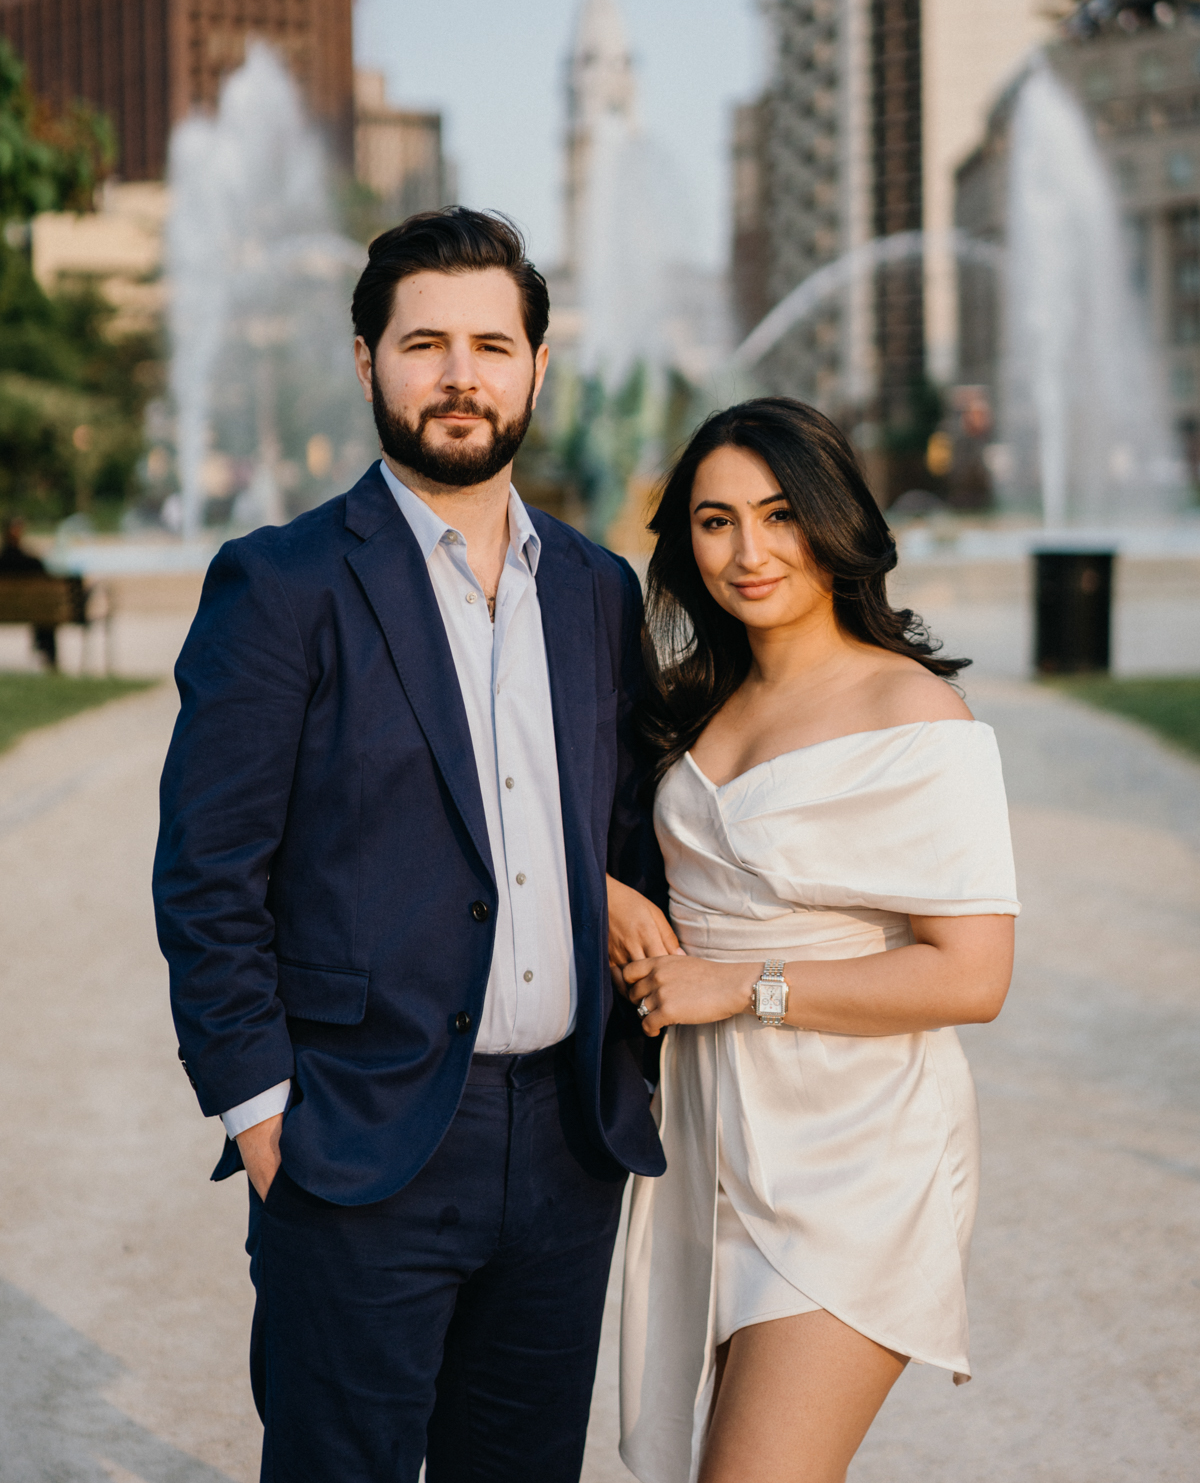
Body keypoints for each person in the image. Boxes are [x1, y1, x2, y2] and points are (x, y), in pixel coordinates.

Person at [153, 208, 677, 1483]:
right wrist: (262, 1110)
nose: (460, 376)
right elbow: (207, 874)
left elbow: (619, 829)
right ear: (366, 362)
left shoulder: (599, 589)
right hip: (356, 1139)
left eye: (492, 345)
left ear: (538, 370)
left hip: (564, 1144)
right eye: (424, 342)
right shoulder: (280, 585)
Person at [617, 399, 1019, 1483]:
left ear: (833, 521)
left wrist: (739, 986)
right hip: (710, 1144)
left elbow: (974, 976)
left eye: (781, 514)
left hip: (858, 1151)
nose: (749, 552)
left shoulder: (917, 713)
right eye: (715, 521)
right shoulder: (696, 704)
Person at [0, 515, 59, 667]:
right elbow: (48, 586)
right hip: (33, 612)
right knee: (45, 609)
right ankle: (48, 657)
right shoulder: (32, 563)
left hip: (4, 610)